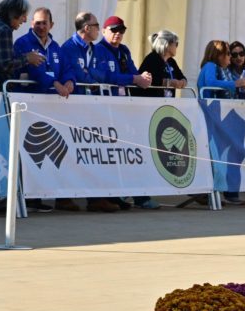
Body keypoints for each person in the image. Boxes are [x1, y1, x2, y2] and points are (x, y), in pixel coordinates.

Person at [0, 0, 43, 214]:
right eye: (22, 16)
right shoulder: (4, 31)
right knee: (3, 147)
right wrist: (27, 59)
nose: (24, 20)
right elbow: (5, 65)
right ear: (13, 13)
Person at [57, 12, 119, 213]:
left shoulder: (96, 50)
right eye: (95, 25)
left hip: (94, 104)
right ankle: (63, 197)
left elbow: (103, 74)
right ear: (86, 28)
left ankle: (96, 197)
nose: (98, 28)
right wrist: (92, 78)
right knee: (70, 150)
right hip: (74, 105)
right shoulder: (68, 48)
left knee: (95, 151)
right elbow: (75, 73)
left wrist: (91, 77)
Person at [95, 16, 157, 210]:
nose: (118, 34)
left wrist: (143, 77)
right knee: (110, 153)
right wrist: (134, 78)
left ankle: (135, 194)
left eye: (121, 30)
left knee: (129, 151)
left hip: (124, 107)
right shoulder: (98, 50)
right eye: (114, 30)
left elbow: (133, 71)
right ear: (104, 30)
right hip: (106, 107)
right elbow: (106, 76)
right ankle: (111, 195)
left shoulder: (123, 50)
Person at [197, 39, 245, 206]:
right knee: (215, 154)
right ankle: (211, 191)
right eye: (227, 53)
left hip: (215, 115)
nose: (230, 57)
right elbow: (211, 83)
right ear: (218, 55)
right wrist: (234, 84)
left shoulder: (218, 69)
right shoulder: (211, 66)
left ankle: (221, 190)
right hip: (210, 115)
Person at [12, 7, 72, 97]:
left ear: (51, 25)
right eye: (38, 23)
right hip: (27, 98)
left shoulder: (55, 46)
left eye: (44, 23)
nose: (41, 27)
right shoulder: (22, 43)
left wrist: (69, 80)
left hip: (53, 100)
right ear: (32, 24)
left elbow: (67, 67)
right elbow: (34, 71)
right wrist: (54, 83)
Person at [136, 30, 187, 98]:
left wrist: (183, 82)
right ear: (167, 44)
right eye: (176, 44)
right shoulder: (152, 58)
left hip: (167, 102)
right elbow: (151, 80)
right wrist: (170, 83)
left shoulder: (171, 61)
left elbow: (181, 77)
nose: (177, 47)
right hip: (151, 101)